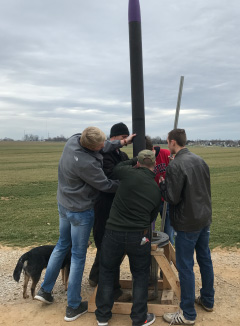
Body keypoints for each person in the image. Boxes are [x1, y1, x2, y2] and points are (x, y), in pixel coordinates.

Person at [34, 126, 135, 322]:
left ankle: (45, 290)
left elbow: (103, 145)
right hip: (80, 211)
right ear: (91, 148)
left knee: (62, 245)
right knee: (78, 256)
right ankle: (73, 306)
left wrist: (122, 142)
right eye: (99, 146)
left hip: (63, 204)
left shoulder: (74, 140)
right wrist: (129, 184)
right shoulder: (87, 164)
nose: (102, 148)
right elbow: (105, 185)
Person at [95, 150, 162, 326]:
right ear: (154, 165)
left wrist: (134, 160)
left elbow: (117, 167)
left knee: (107, 272)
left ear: (138, 163)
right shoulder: (155, 189)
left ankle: (102, 316)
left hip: (113, 233)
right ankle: (139, 318)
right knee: (140, 276)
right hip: (139, 236)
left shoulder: (127, 172)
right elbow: (152, 217)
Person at [160, 129, 214, 325]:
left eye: (168, 142)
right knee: (205, 259)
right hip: (203, 219)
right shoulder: (200, 160)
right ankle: (208, 300)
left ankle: (188, 314)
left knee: (185, 267)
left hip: (186, 223)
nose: (167, 144)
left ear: (173, 142)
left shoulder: (176, 165)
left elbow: (172, 198)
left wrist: (164, 185)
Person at [89, 122, 130, 298]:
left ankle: (95, 277)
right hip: (104, 206)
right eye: (123, 138)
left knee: (107, 246)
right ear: (113, 138)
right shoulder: (103, 155)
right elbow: (111, 176)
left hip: (117, 206)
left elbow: (129, 169)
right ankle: (113, 291)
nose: (125, 142)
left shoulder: (122, 154)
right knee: (108, 246)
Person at [145, 136, 174, 244]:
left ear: (152, 149)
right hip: (151, 202)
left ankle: (168, 259)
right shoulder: (142, 161)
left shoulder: (166, 154)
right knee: (148, 234)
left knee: (168, 234)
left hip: (166, 200)